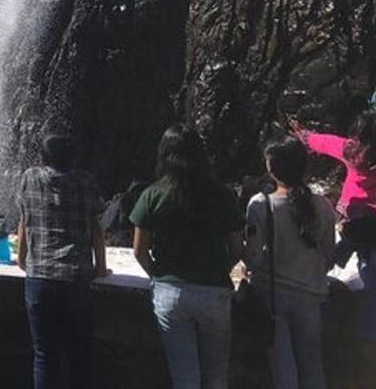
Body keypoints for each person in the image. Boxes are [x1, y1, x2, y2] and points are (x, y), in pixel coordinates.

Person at [129, 125, 244, 389]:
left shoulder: (153, 195)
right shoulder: (222, 195)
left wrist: (158, 276)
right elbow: (237, 248)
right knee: (216, 376)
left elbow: (139, 250)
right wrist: (219, 268)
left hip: (171, 293)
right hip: (214, 291)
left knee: (184, 378)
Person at [294, 106, 376, 375]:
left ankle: (316, 281)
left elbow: (327, 142)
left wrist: (305, 136)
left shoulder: (351, 151)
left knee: (338, 252)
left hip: (352, 218)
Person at [16, 135, 108, 389]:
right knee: (79, 353)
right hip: (76, 277)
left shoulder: (29, 178)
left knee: (44, 356)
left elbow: (24, 222)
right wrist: (100, 267)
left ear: (42, 158)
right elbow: (96, 230)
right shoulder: (86, 182)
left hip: (40, 277)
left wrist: (22, 260)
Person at [243, 135, 335, 389]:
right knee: (312, 367)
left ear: (271, 167)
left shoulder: (261, 205)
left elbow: (254, 258)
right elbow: (329, 255)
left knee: (283, 369)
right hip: (311, 297)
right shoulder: (324, 205)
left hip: (274, 299)